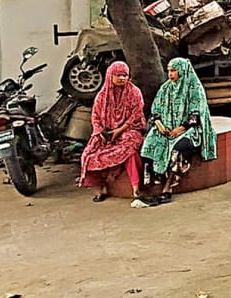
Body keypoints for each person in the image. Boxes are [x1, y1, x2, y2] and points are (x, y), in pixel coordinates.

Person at [140, 58, 217, 204]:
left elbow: (196, 115)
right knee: (148, 145)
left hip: (188, 130)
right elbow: (155, 110)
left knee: (177, 151)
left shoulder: (194, 88)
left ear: (182, 70)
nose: (170, 74)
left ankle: (168, 188)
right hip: (165, 129)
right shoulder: (165, 88)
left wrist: (179, 129)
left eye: (173, 70)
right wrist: (160, 125)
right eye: (168, 70)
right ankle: (154, 185)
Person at [79, 61, 145, 202]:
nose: (122, 78)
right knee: (89, 154)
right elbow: (95, 118)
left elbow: (136, 115)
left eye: (124, 75)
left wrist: (119, 130)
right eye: (118, 75)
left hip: (130, 129)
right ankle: (100, 188)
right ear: (110, 76)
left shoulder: (134, 92)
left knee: (129, 149)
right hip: (107, 132)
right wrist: (101, 132)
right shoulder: (102, 96)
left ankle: (136, 187)